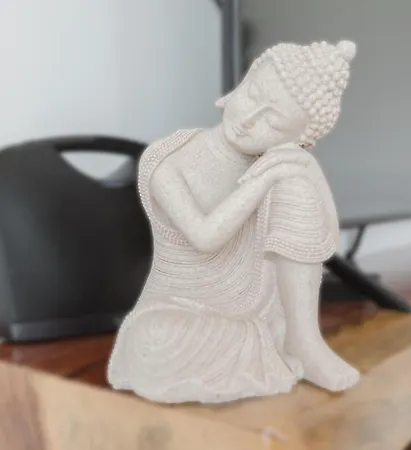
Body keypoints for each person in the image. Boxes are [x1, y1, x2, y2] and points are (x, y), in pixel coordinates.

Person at [108, 40, 360, 403]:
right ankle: (264, 346)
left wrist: (310, 171)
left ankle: (304, 342)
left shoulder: (282, 169)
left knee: (293, 180)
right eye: (253, 94)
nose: (249, 119)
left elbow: (324, 244)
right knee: (154, 337)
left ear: (298, 138)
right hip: (178, 309)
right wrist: (261, 180)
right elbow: (205, 237)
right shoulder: (168, 157)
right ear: (244, 80)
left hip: (260, 304)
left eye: (273, 122)